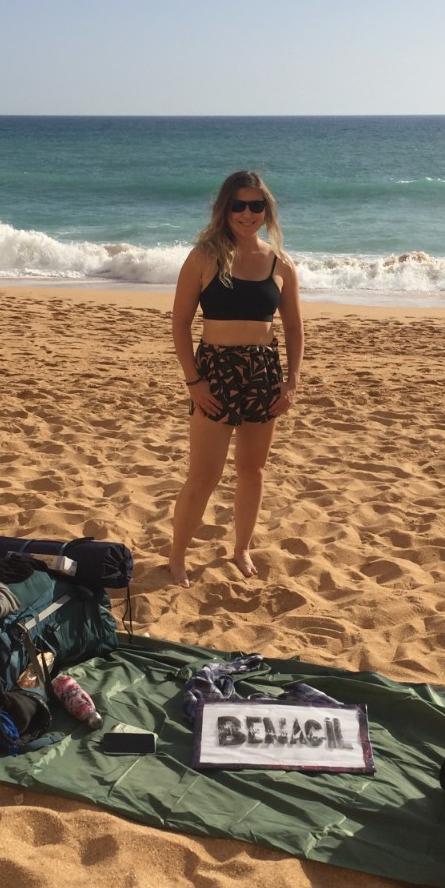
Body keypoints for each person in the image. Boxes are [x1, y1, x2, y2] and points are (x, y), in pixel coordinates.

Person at [168, 170, 303, 587]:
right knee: (203, 475)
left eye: (256, 206)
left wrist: (291, 381)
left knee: (252, 469)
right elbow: (180, 324)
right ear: (225, 209)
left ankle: (241, 547)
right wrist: (195, 381)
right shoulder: (204, 257)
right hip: (215, 371)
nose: (247, 214)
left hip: (263, 371)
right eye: (238, 205)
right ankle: (176, 555)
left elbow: (295, 328)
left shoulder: (281, 264)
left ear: (267, 211)